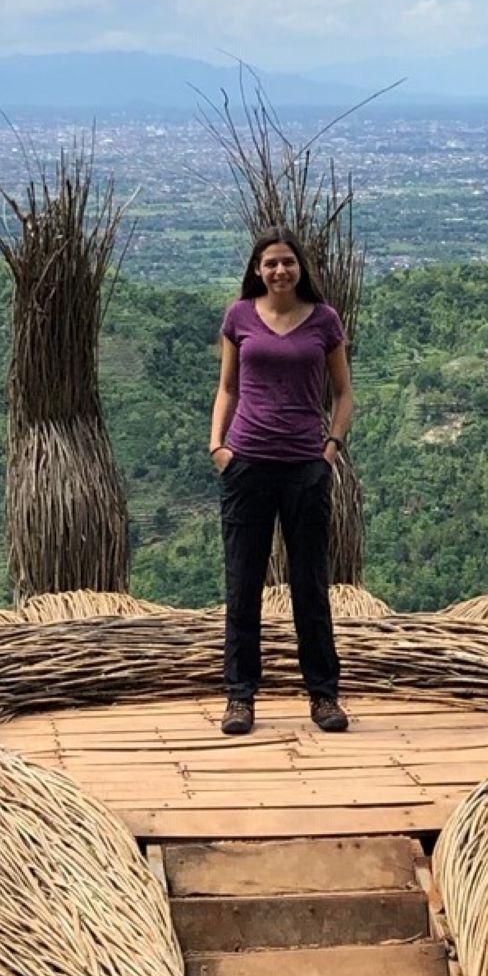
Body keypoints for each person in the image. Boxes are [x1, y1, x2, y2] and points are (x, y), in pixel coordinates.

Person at [209, 227, 354, 736]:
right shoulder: (239, 316)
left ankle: (323, 697)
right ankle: (240, 697)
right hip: (247, 463)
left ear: (300, 268)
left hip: (305, 468)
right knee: (242, 583)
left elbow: (343, 393)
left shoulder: (324, 321)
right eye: (270, 263)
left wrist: (330, 448)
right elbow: (227, 387)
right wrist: (219, 446)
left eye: (287, 262)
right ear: (257, 269)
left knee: (310, 585)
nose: (279, 271)